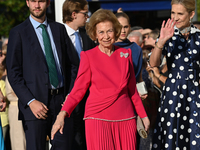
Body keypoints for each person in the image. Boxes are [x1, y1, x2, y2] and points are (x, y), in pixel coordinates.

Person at [51, 9, 150, 150]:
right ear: (94, 34)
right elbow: (78, 90)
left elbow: (132, 90)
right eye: (101, 32)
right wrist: (62, 115)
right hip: (97, 120)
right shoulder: (88, 56)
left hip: (125, 118)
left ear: (115, 31)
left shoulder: (125, 54)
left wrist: (143, 115)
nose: (106, 36)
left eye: (109, 31)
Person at [6, 0, 72, 150]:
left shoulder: (59, 29)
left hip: (61, 103)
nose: (37, 5)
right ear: (27, 2)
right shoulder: (18, 32)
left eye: (41, 1)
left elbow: (71, 65)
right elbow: (13, 72)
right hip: (34, 106)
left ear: (48, 3)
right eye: (33, 1)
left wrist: (70, 94)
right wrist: (30, 101)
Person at [149, 0, 199, 149]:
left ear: (191, 14)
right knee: (172, 131)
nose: (175, 17)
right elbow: (153, 64)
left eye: (180, 13)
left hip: (195, 92)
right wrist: (162, 41)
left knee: (195, 131)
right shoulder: (167, 35)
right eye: (173, 13)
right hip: (173, 92)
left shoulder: (198, 37)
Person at [62, 0, 96, 149]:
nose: (87, 17)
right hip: (65, 98)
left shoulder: (87, 36)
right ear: (74, 14)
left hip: (87, 99)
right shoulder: (57, 35)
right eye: (85, 13)